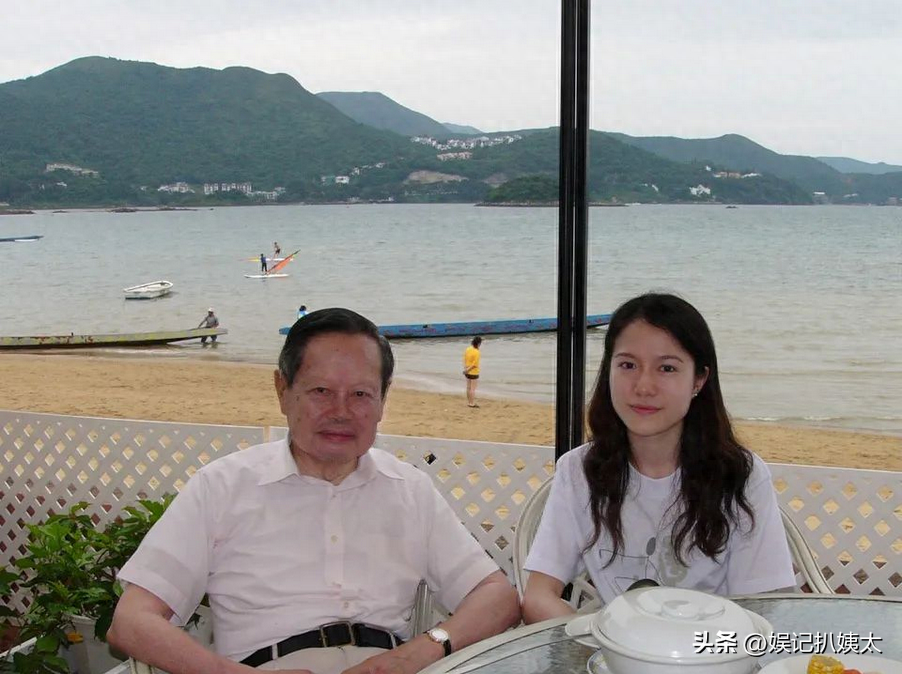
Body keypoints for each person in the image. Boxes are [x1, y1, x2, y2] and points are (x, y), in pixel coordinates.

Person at [107, 308, 520, 674]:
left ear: (383, 400)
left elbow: (496, 596)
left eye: (360, 394)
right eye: (321, 391)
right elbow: (132, 621)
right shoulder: (223, 486)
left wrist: (424, 650)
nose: (341, 412)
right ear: (282, 391)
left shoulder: (409, 489)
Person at [521, 293, 794, 623]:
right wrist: (599, 638)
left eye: (667, 368)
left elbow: (762, 610)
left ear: (699, 380)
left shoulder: (741, 476)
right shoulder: (579, 471)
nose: (644, 386)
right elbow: (538, 596)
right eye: (628, 365)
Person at [462, 336, 482, 408]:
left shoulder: (468, 349)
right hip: (473, 372)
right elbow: (475, 364)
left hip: (467, 370)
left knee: (468, 387)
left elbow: (464, 358)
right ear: (479, 343)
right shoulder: (477, 352)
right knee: (472, 389)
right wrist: (468, 370)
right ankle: (471, 403)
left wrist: (466, 369)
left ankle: (469, 402)